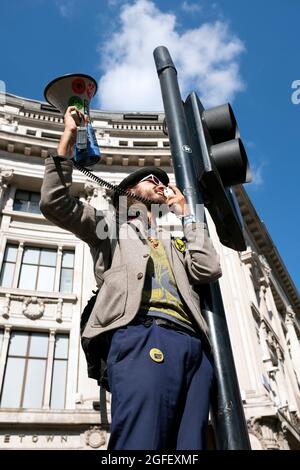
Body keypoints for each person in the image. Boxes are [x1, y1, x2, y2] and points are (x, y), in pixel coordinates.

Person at [40, 106, 222, 451]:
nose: (159, 183)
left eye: (162, 181)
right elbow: (56, 202)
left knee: (189, 448)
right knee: (140, 441)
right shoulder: (112, 228)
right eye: (149, 179)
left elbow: (208, 268)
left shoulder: (175, 239)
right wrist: (67, 136)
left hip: (194, 346)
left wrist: (187, 217)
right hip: (141, 333)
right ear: (127, 193)